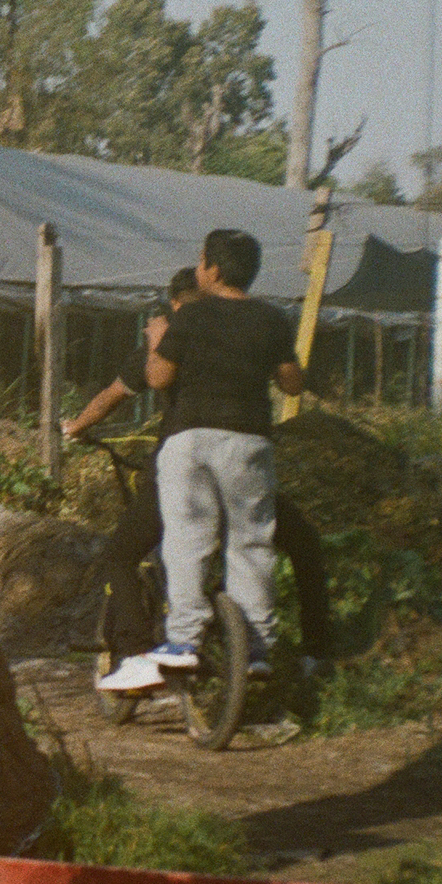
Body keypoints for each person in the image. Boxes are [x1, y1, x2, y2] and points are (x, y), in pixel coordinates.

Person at [65, 269, 333, 696]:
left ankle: (138, 653)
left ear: (175, 304)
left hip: (183, 468)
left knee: (123, 554)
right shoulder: (244, 337)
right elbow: (289, 381)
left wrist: (74, 427)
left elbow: (115, 394)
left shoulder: (169, 343)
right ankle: (315, 651)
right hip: (241, 461)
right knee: (298, 541)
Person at [123, 229, 305, 680]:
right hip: (248, 440)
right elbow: (292, 383)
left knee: (187, 539)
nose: (199, 268)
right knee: (252, 542)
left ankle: (184, 638)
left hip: (191, 440)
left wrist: (158, 340)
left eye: (202, 261)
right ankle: (257, 648)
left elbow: (160, 378)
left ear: (214, 269)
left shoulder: (191, 318)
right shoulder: (272, 319)